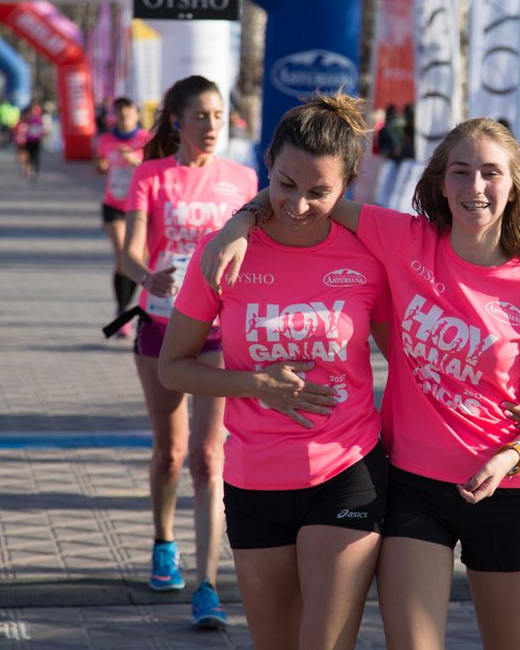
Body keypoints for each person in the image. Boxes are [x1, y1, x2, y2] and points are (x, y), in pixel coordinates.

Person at [204, 117, 520, 650]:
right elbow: (310, 191)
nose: (475, 188)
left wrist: (512, 454)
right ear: (440, 183)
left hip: (505, 488)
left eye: (490, 174)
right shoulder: (405, 240)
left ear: (514, 183)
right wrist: (237, 222)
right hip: (411, 488)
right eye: (461, 172)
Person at [160, 93, 392, 649]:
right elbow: (173, 367)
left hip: (347, 468)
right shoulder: (225, 253)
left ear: (349, 183)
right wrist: (255, 385)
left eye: (320, 192)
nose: (299, 204)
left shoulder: (367, 255)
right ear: (268, 164)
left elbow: (411, 355)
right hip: (254, 477)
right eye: (287, 185)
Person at [120, 75, 258, 627]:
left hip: (222, 335)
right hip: (161, 327)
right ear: (176, 120)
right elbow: (129, 252)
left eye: (218, 116)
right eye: (199, 116)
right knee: (171, 452)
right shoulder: (151, 176)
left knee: (209, 457)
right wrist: (146, 276)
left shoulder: (244, 179)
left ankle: (207, 584)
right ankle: (162, 541)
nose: (210, 127)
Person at [94, 97, 151, 336]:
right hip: (114, 206)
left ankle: (126, 309)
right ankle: (122, 310)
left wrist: (136, 162)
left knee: (139, 261)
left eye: (128, 113)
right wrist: (102, 165)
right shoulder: (106, 139)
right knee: (122, 256)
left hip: (140, 207)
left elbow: (153, 168)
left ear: (136, 115)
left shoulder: (146, 139)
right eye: (119, 114)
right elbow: (97, 167)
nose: (124, 117)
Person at [22, 105, 47, 181]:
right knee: (34, 155)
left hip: (32, 140)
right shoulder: (38, 120)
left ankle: (31, 170)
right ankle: (33, 169)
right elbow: (42, 130)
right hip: (33, 140)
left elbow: (41, 130)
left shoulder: (29, 119)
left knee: (31, 156)